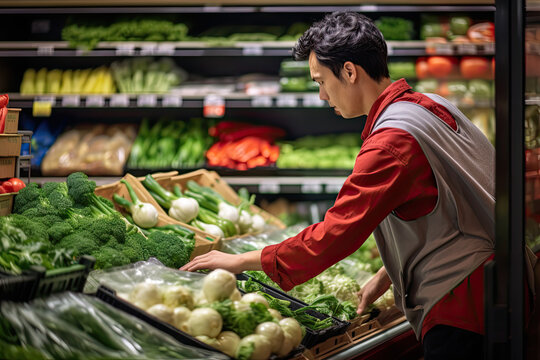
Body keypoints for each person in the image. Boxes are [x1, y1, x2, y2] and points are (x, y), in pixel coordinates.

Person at [181, 11, 535, 359]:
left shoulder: (391, 142)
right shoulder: (430, 105)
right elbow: (452, 204)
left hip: (464, 307)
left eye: (321, 81)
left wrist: (240, 261)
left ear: (349, 71)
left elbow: (333, 235)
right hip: (501, 282)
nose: (321, 95)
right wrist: (391, 273)